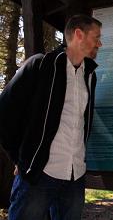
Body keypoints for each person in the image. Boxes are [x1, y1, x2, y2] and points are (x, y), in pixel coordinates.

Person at [0, 14, 102, 220]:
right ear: (78, 34)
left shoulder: (90, 75)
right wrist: (21, 158)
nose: (100, 43)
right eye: (96, 37)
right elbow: (4, 112)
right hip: (39, 176)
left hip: (75, 176)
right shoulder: (40, 65)